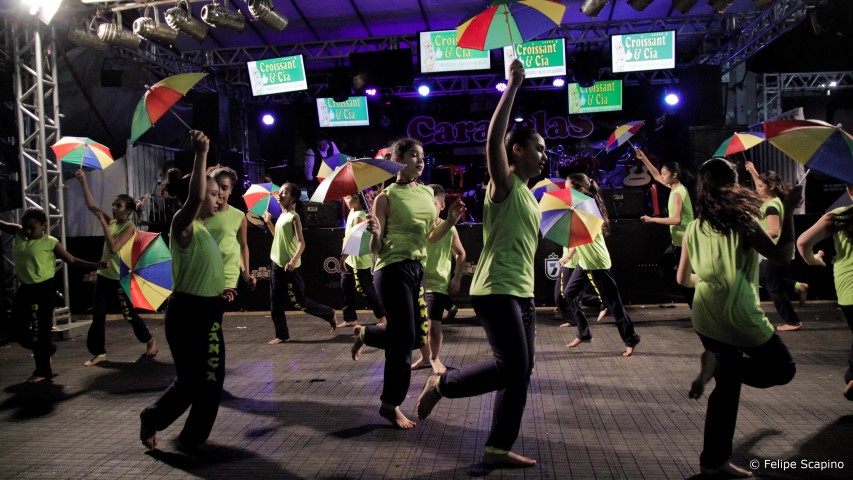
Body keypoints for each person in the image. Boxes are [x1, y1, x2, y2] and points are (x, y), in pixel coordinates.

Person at [415, 59, 541, 467]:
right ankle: (443, 384)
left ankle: (497, 449)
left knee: (521, 372)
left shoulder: (530, 196)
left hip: (522, 293)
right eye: (538, 148)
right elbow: (492, 141)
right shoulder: (504, 185)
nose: (544, 155)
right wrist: (513, 86)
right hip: (495, 289)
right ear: (517, 150)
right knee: (512, 366)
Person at [678, 157, 800, 478]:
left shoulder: (694, 227)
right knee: (783, 368)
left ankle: (713, 462)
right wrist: (788, 210)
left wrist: (709, 279)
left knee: (726, 390)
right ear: (730, 184)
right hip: (738, 316)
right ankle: (722, 366)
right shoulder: (743, 222)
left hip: (705, 316)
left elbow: (682, 279)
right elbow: (783, 255)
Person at [350, 137, 465, 430]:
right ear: (398, 160)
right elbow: (376, 249)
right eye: (414, 155)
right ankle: (390, 405)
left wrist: (450, 221)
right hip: (391, 269)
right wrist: (375, 232)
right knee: (403, 341)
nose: (420, 160)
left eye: (422, 155)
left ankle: (367, 333)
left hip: (416, 269)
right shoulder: (385, 197)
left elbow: (430, 237)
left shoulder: (427, 193)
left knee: (414, 338)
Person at [140, 130, 237, 454]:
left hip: (209, 312)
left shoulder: (206, 231)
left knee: (212, 380)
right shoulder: (182, 226)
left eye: (220, 193)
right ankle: (152, 417)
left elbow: (204, 270)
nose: (218, 199)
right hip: (186, 315)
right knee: (191, 381)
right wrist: (201, 153)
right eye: (213, 194)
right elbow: (194, 199)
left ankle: (193, 438)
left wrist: (220, 291)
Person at [1, 208, 101, 383]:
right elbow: (2, 224)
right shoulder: (19, 233)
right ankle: (47, 349)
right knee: (15, 330)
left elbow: (72, 260)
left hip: (43, 290)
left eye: (32, 227)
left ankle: (42, 370)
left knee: (40, 331)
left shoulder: (51, 242)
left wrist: (95, 265)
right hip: (25, 289)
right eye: (25, 226)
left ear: (44, 225)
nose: (28, 231)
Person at [76, 170, 157, 366]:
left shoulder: (129, 227)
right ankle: (99, 352)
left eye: (118, 205)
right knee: (98, 316)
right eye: (113, 204)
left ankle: (149, 340)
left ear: (127, 210)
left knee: (129, 315)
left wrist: (104, 225)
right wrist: (83, 181)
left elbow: (113, 248)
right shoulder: (112, 221)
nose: (113, 208)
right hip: (104, 276)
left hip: (119, 279)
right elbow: (92, 206)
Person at [563, 173, 641, 356]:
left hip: (597, 262)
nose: (566, 193)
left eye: (569, 189)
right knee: (569, 293)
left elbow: (582, 234)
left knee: (614, 304)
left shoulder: (588, 208)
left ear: (581, 190)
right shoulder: (578, 208)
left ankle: (631, 338)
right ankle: (584, 333)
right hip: (585, 261)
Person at [264, 183, 341, 345]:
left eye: (284, 192)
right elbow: (277, 237)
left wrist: (293, 261)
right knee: (275, 302)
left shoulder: (294, 217)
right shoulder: (281, 216)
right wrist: (269, 222)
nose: (280, 194)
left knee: (299, 302)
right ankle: (282, 335)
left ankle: (329, 313)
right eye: (280, 192)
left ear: (293, 198)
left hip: (290, 267)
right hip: (276, 264)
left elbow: (302, 243)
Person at [796, 182, 853, 400]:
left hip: (848, 289)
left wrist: (814, 260)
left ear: (849, 190)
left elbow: (803, 242)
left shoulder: (838, 216)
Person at [745, 161, 808, 331]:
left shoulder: (771, 206)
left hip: (774, 251)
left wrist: (753, 237)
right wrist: (753, 171)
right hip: (775, 251)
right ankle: (798, 286)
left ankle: (792, 321)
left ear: (771, 187)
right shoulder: (772, 200)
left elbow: (774, 231)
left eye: (760, 186)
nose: (757, 189)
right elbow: (761, 184)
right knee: (764, 279)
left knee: (774, 288)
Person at [412, 184, 467, 375]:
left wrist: (457, 278)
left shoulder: (449, 229)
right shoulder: (419, 227)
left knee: (433, 325)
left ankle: (435, 358)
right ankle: (425, 356)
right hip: (417, 282)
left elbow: (461, 254)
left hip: (437, 284)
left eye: (432, 203)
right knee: (419, 326)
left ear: (442, 206)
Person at [637, 149, 695, 308]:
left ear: (674, 175)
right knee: (668, 269)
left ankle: (698, 306)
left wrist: (652, 219)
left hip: (684, 240)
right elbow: (656, 176)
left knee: (683, 279)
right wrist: (644, 158)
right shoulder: (676, 187)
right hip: (679, 240)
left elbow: (677, 219)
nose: (662, 177)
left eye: (665, 174)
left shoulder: (677, 193)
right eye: (662, 173)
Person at [205, 166, 257, 297]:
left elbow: (243, 245)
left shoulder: (239, 216)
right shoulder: (201, 214)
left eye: (224, 188)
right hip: (204, 273)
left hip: (229, 275)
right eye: (217, 187)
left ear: (231, 190)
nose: (220, 192)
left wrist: (246, 273)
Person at [340, 194, 387, 328]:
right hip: (350, 259)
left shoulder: (360, 215)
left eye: (347, 198)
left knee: (367, 289)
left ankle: (383, 316)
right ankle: (350, 318)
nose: (345, 200)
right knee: (346, 288)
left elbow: (355, 240)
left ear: (356, 198)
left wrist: (343, 258)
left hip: (358, 260)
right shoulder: (351, 212)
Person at [554, 246, 607, 327]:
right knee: (562, 296)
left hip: (577, 265)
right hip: (567, 264)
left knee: (569, 295)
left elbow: (578, 242)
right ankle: (573, 320)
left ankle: (607, 303)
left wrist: (568, 256)